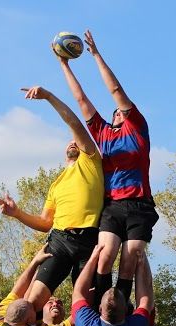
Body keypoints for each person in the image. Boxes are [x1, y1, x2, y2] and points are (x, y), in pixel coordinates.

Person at [60, 30, 159, 306]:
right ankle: (102, 305)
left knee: (131, 256)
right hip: (113, 205)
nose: (118, 112)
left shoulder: (137, 129)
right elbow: (81, 100)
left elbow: (116, 91)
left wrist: (96, 55)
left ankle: (121, 308)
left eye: (122, 110)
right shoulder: (103, 133)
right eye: (115, 111)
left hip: (139, 205)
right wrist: (64, 65)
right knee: (105, 253)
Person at [0, 85, 104, 312]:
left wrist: (48, 97)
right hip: (60, 241)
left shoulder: (91, 161)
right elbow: (46, 223)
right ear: (64, 151)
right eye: (69, 141)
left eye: (76, 140)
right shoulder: (56, 184)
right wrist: (17, 214)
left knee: (87, 306)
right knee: (32, 302)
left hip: (90, 241)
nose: (73, 141)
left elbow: (75, 124)